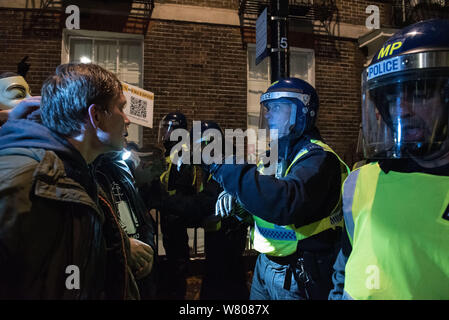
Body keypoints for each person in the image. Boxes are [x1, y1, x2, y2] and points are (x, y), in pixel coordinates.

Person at [329, 19, 449, 300]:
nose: (401, 110)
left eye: (418, 92)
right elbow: (345, 268)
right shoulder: (360, 181)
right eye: (392, 98)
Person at [0, 63, 135, 299]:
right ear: (95, 116)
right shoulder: (23, 181)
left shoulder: (74, 173)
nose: (127, 119)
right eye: (121, 108)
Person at [210, 78, 349, 300]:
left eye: (276, 108)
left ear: (301, 112)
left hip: (299, 270)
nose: (268, 115)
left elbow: (284, 202)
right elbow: (261, 202)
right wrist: (238, 202)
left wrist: (222, 167)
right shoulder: (273, 157)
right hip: (265, 264)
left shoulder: (318, 159)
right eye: (267, 108)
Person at [165, 120, 250, 300]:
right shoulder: (217, 163)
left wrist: (165, 201)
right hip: (221, 239)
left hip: (226, 241)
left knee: (225, 289)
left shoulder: (226, 166)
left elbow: (204, 203)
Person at [94, 147, 159, 299]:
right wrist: (124, 247)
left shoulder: (120, 165)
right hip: (112, 280)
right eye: (121, 121)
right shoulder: (85, 170)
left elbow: (141, 216)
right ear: (95, 121)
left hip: (138, 278)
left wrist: (147, 253)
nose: (126, 128)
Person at [156, 111, 194, 299]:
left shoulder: (182, 154)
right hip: (169, 214)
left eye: (168, 129)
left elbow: (180, 189)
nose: (165, 133)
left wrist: (160, 199)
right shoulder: (172, 153)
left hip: (176, 216)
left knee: (178, 262)